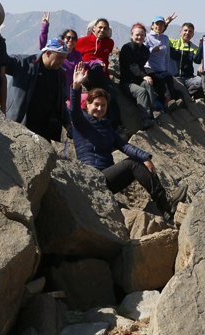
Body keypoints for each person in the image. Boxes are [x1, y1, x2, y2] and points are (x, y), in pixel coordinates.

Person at [69, 61, 173, 219]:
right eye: (96, 104)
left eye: (103, 105)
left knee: (138, 161)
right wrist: (76, 87)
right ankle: (164, 205)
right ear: (87, 105)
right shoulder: (81, 122)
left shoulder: (107, 128)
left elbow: (125, 146)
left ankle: (164, 206)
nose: (100, 108)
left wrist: (146, 157)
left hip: (107, 180)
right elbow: (73, 110)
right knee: (132, 163)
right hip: (91, 178)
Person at [5, 38, 70, 142]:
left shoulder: (60, 75)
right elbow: (4, 62)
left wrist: (67, 123)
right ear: (48, 53)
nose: (62, 62)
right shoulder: (24, 64)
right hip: (20, 123)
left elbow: (62, 103)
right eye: (60, 57)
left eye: (64, 58)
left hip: (44, 129)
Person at [75, 18, 122, 128]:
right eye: (100, 27)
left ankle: (117, 124)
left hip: (103, 76)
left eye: (105, 28)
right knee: (96, 69)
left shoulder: (109, 43)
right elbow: (73, 54)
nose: (102, 30)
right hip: (87, 74)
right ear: (94, 28)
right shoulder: (83, 41)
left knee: (112, 95)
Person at [119, 24, 157, 130]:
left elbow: (141, 66)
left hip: (138, 79)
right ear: (132, 35)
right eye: (137, 35)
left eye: (142, 35)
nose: (139, 37)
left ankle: (152, 111)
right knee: (141, 91)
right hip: (127, 82)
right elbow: (132, 66)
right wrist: (144, 75)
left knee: (148, 84)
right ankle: (145, 119)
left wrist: (145, 77)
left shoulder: (145, 50)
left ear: (145, 36)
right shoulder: (126, 48)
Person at [144, 13, 183, 112]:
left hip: (161, 67)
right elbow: (143, 54)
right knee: (160, 79)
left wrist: (167, 69)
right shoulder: (147, 37)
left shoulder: (165, 38)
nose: (159, 26)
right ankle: (165, 101)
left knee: (168, 77)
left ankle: (174, 100)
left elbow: (167, 55)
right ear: (152, 25)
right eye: (157, 24)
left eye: (161, 24)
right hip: (150, 67)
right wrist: (153, 50)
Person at [38, 12, 81, 89]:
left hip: (70, 89)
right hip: (57, 87)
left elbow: (84, 64)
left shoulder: (77, 55)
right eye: (68, 37)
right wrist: (45, 26)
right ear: (63, 39)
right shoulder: (56, 52)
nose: (71, 40)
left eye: (74, 38)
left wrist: (98, 62)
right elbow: (43, 46)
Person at [167, 22, 204, 102]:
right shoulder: (172, 43)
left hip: (189, 78)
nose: (187, 33)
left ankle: (185, 95)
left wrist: (201, 46)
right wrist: (166, 24)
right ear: (181, 32)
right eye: (185, 30)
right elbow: (159, 36)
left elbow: (197, 60)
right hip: (175, 77)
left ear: (193, 34)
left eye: (190, 31)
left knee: (202, 81)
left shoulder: (194, 48)